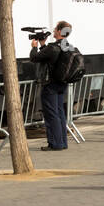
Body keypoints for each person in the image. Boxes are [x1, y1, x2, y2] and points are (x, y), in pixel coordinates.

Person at [28, 21, 77, 151]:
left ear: (60, 31)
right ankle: (62, 143)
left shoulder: (53, 47)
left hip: (50, 85)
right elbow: (50, 58)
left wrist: (34, 47)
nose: (54, 31)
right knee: (60, 113)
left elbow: (34, 58)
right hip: (62, 83)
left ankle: (55, 144)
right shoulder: (68, 46)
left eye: (55, 29)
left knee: (51, 115)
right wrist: (43, 45)